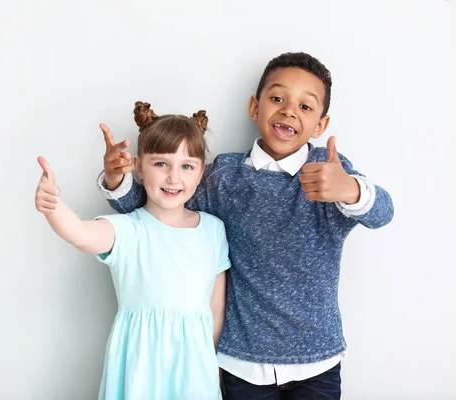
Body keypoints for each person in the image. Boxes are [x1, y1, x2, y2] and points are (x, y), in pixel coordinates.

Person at [96, 52, 394, 399]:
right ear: (255, 107)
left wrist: (350, 189)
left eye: (306, 106)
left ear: (320, 126)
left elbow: (382, 213)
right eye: (277, 98)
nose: (288, 111)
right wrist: (117, 180)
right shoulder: (224, 176)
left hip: (317, 360)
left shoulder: (329, 172)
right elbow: (153, 214)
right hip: (242, 362)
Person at [35, 102, 230, 400]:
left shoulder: (214, 230)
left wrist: (212, 365)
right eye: (161, 164)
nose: (173, 177)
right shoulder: (129, 229)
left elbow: (216, 310)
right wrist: (53, 207)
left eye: (186, 166)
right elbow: (81, 234)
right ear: (138, 167)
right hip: (140, 367)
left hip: (195, 370)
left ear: (201, 172)